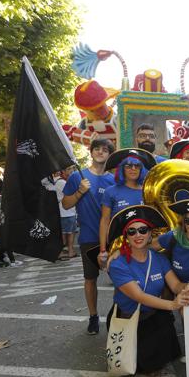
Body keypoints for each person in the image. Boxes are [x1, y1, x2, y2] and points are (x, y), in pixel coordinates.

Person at [105, 205, 189, 373]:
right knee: (140, 366)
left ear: (150, 234)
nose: (138, 235)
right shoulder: (118, 264)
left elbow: (175, 285)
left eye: (142, 230)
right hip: (132, 319)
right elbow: (138, 296)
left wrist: (187, 287)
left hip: (155, 314)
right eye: (131, 232)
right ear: (126, 237)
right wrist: (173, 305)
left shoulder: (159, 258)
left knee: (164, 358)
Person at [62, 138, 116, 335]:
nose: (101, 152)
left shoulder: (114, 179)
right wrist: (79, 192)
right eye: (97, 149)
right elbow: (66, 204)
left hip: (113, 239)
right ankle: (93, 317)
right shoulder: (78, 177)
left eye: (105, 150)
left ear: (110, 154)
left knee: (121, 279)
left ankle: (119, 315)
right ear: (91, 152)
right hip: (89, 238)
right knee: (90, 279)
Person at [99, 148, 156, 268]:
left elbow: (153, 220)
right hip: (119, 246)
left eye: (137, 166)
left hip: (145, 246)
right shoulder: (110, 192)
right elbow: (104, 221)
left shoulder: (148, 192)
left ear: (141, 169)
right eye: (128, 166)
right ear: (122, 169)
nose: (133, 169)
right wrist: (103, 249)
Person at [53, 170, 78, 260]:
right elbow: (71, 194)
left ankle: (62, 251)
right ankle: (69, 251)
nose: (70, 173)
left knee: (63, 233)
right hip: (67, 211)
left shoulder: (54, 182)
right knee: (70, 232)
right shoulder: (62, 182)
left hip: (60, 211)